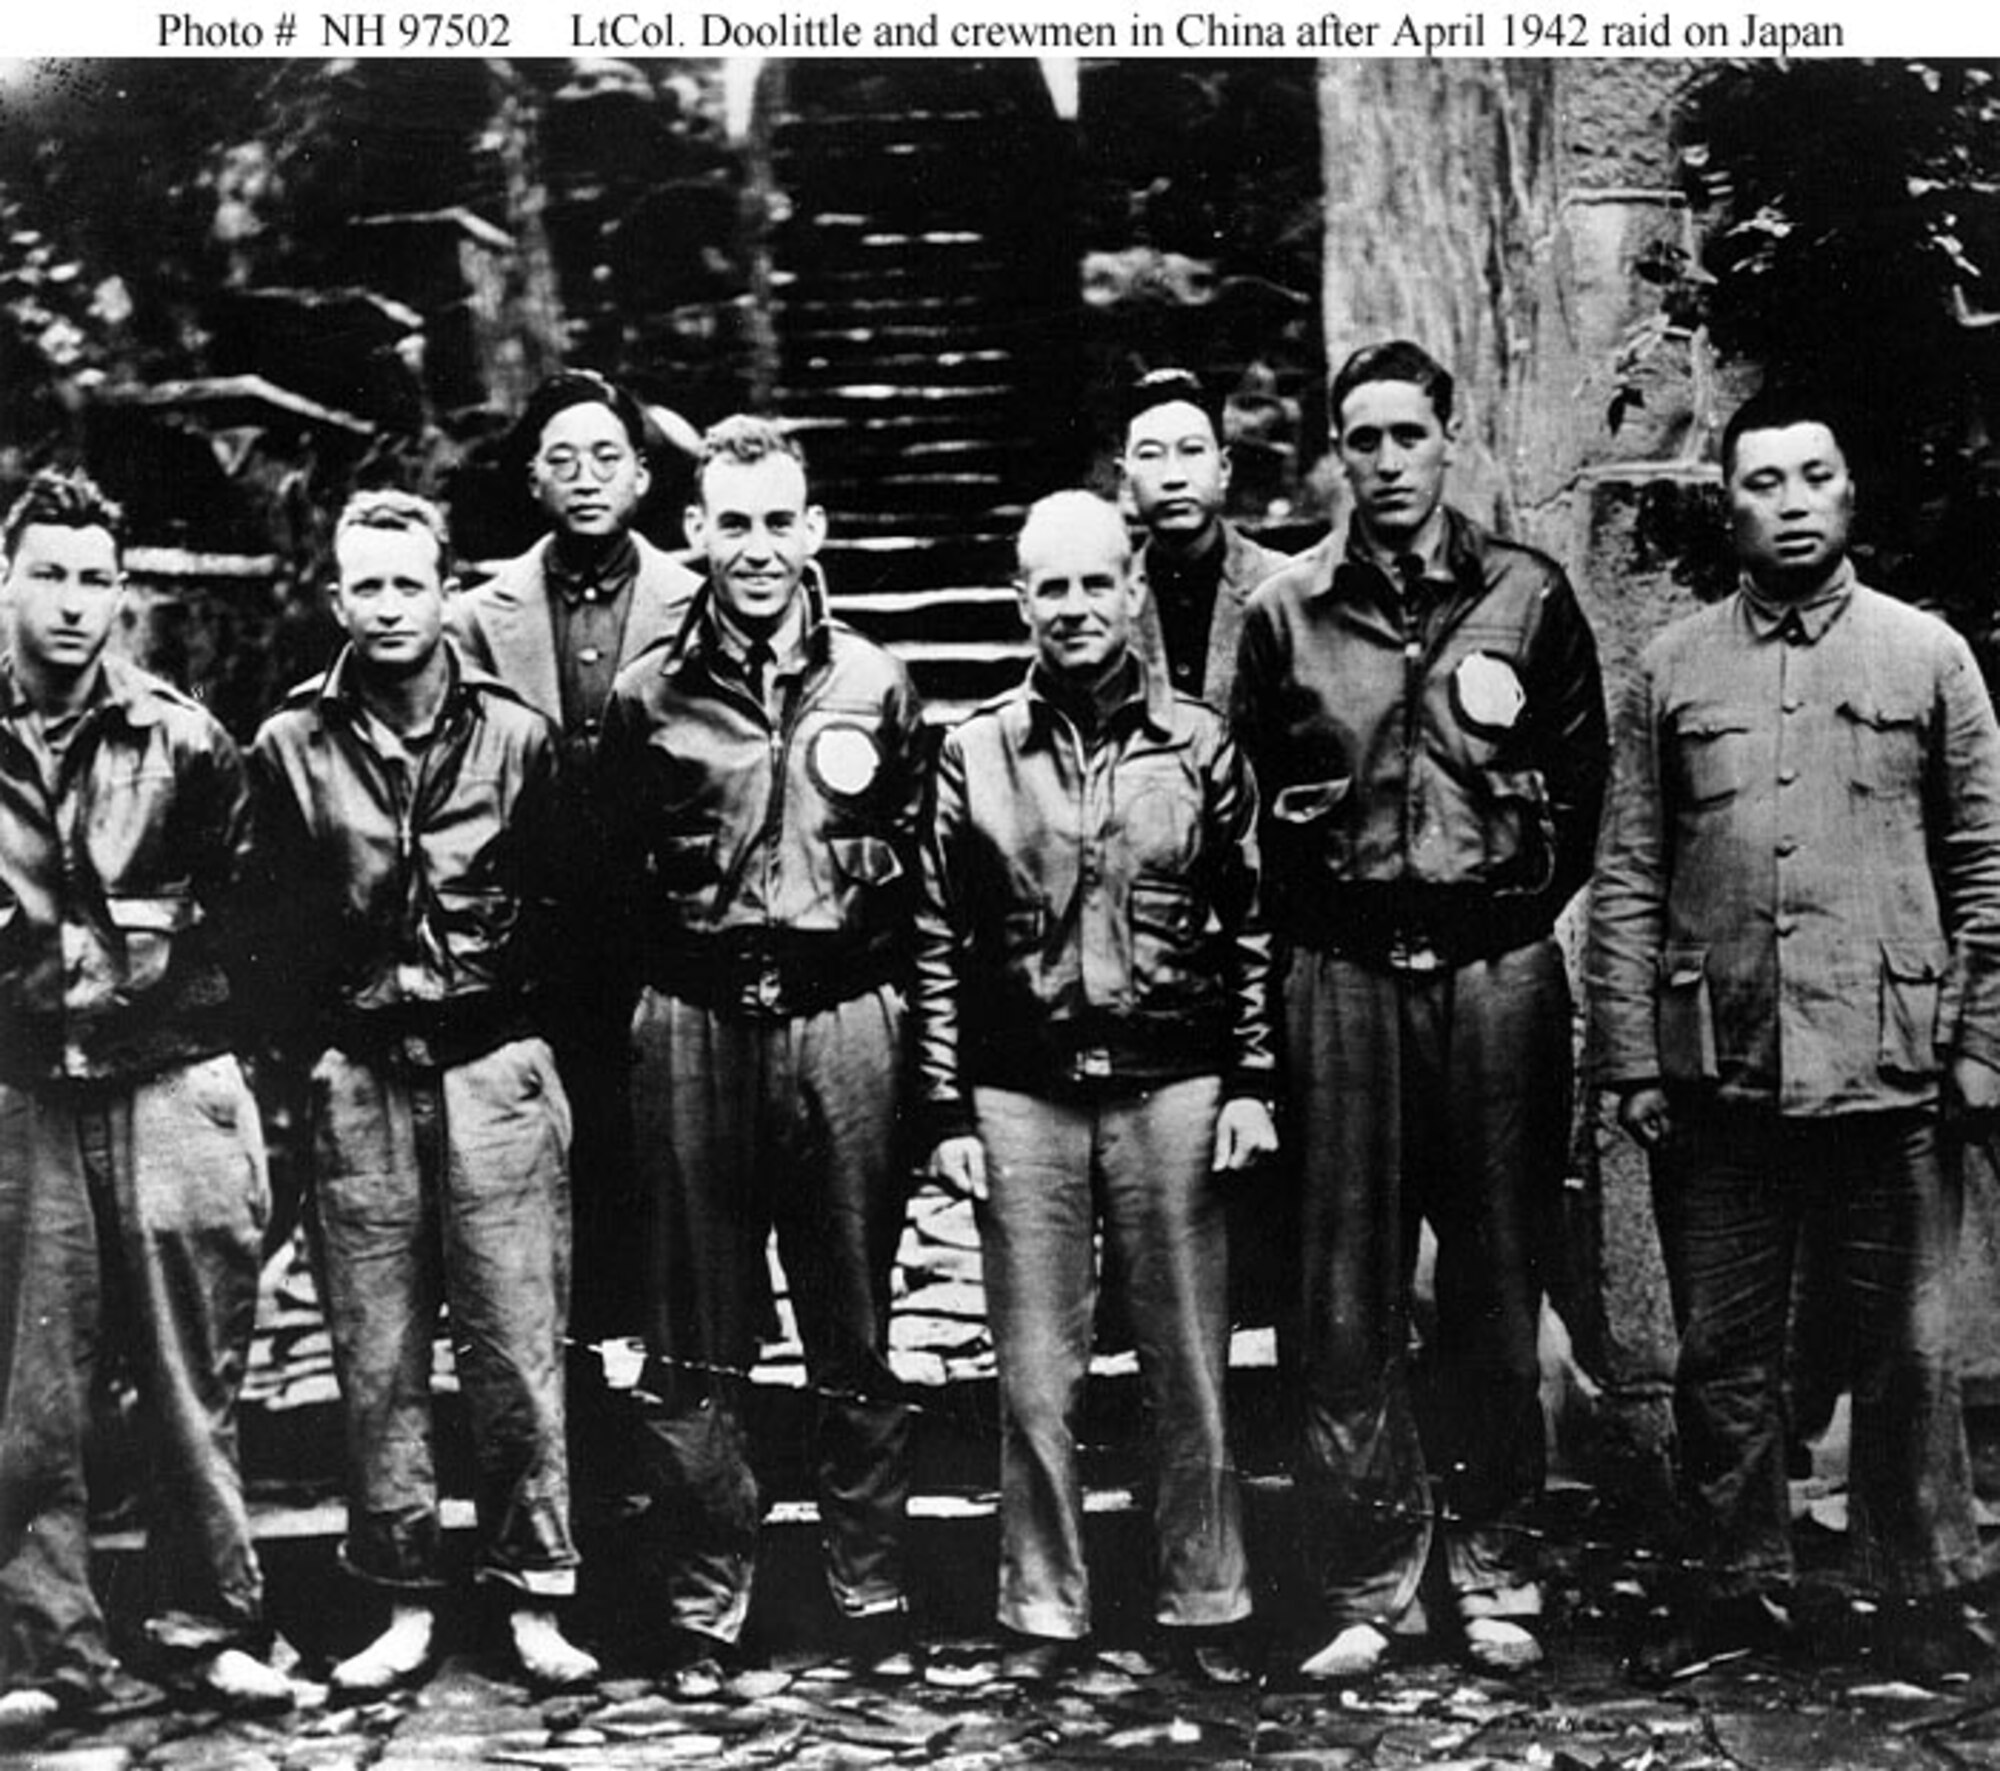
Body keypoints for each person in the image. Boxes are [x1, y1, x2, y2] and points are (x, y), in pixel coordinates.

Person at [1586, 390, 2000, 1681]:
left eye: (1816, 474)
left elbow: (1987, 866)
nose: (1795, 500)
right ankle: (1732, 1590)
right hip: (1724, 1071)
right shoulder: (1675, 669)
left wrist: (1980, 1049)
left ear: (1850, 491)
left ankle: (1923, 1591)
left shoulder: (1928, 657)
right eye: (1765, 481)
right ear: (1732, 504)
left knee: (1910, 1351)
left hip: (1893, 1064)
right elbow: (1633, 868)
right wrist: (1632, 1057)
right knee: (1725, 1353)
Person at [1233, 339, 1608, 1679]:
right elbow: (1256, 813)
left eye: (1408, 434)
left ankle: (1499, 1564)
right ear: (1335, 454)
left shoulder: (1527, 595)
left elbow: (1580, 790)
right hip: (1338, 978)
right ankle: (1367, 1578)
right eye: (1362, 439)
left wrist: (1490, 910)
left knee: (1499, 1278)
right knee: (1343, 1292)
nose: (1386, 461)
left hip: (1493, 971)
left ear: (1451, 439)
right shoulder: (1286, 614)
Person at [916, 490, 1279, 1685]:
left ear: (1132, 591)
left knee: (1189, 1360)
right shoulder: (971, 752)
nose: (1073, 609)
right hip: (1022, 1092)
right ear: (1019, 600)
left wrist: (1249, 1082)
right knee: (1034, 1369)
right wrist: (940, 1107)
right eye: (1048, 588)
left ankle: (1205, 1595)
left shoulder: (1201, 743)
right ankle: (1041, 1605)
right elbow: (932, 934)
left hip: (1171, 1083)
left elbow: (1249, 924)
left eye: (1094, 584)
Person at [248, 490, 596, 1695]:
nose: (389, 608)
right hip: (361, 1079)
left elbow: (576, 918)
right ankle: (399, 1594)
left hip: (495, 1068)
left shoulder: (517, 737)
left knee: (515, 1345)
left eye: (410, 583)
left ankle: (533, 1589)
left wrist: (537, 1063)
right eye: (366, 587)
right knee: (377, 1354)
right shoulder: (288, 746)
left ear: (447, 588)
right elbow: (268, 934)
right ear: (335, 598)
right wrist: (318, 1062)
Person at [597, 414, 924, 1694]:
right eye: (731, 522)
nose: (756, 548)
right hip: (692, 1019)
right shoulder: (646, 697)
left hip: (840, 1021)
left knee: (853, 1307)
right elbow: (608, 884)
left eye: (779, 520)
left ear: (816, 530)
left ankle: (870, 1582)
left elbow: (914, 874)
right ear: (695, 534)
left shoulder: (875, 684)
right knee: (694, 1328)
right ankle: (702, 1604)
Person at [0, 470, 291, 1732]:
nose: (72, 603)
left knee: (193, 1375)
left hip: (168, 1082)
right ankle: (44, 1647)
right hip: (19, 1094)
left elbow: (254, 924)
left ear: (124, 595)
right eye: (47, 573)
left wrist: (206, 1062)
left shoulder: (185, 741)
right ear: (4, 581)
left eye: (93, 578)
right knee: (30, 1390)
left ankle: (210, 1627)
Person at [446, 369, 701, 1371]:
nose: (585, 477)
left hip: (663, 931)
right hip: (538, 945)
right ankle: (573, 1388)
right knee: (551, 1161)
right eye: (561, 459)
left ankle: (676, 1392)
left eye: (606, 457)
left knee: (663, 1167)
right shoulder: (479, 617)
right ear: (534, 482)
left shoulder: (696, 599)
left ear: (641, 476)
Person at [1120, 366, 1295, 711]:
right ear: (1125, 480)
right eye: (1151, 455)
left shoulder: (1285, 586)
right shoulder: (1108, 598)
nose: (1174, 477)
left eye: (1192, 451)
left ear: (1224, 470)